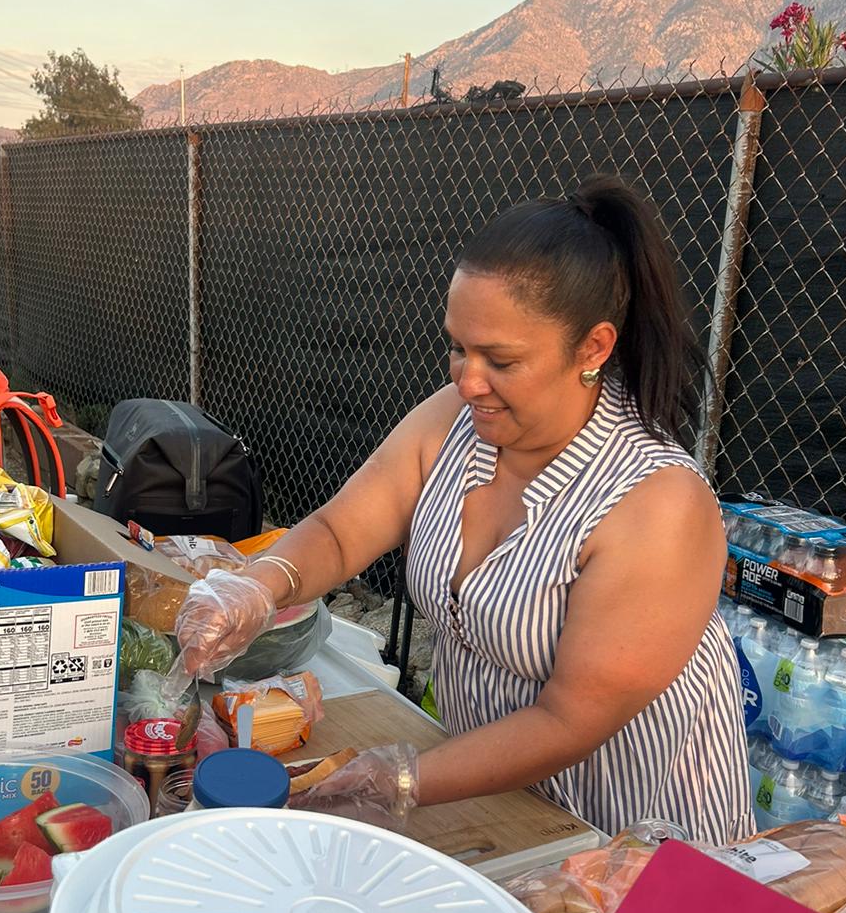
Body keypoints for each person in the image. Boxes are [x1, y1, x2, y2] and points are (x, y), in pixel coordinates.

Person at [174, 172, 752, 845]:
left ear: (593, 348)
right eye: (457, 347)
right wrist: (259, 584)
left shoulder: (655, 505)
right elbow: (338, 531)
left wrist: (403, 781)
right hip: (490, 792)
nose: (466, 380)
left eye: (500, 360)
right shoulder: (453, 422)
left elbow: (570, 720)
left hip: (628, 831)